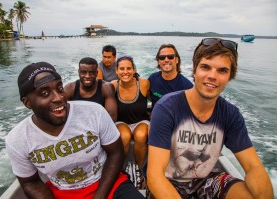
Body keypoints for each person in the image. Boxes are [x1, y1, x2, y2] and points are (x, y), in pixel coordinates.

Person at [147, 38, 273, 199]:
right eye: (205, 67)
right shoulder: (167, 108)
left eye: (222, 70)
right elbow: (155, 175)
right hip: (168, 180)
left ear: (230, 76)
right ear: (194, 69)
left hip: (204, 180)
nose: (212, 76)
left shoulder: (230, 114)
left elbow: (254, 168)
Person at [5, 62, 144, 199]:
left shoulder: (94, 112)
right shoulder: (17, 139)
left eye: (59, 88)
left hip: (107, 183)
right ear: (27, 102)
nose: (59, 97)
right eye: (45, 93)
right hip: (62, 191)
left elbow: (116, 152)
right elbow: (30, 182)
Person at [111, 56, 150, 176]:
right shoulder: (113, 85)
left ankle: (140, 170)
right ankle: (120, 171)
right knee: (124, 136)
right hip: (122, 122)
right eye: (121, 69)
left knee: (141, 135)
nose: (125, 72)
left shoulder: (143, 84)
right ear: (116, 71)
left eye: (129, 68)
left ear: (134, 70)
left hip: (141, 121)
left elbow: (156, 99)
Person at [64, 57, 117, 122]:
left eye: (91, 73)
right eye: (83, 72)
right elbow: (64, 116)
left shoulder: (106, 88)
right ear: (78, 72)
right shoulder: (69, 89)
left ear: (96, 73)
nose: (87, 76)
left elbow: (112, 117)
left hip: (100, 126)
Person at [148, 44, 193, 109]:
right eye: (162, 57)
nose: (166, 60)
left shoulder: (187, 87)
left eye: (170, 57)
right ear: (158, 61)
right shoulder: (152, 79)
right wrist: (149, 110)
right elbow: (148, 98)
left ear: (176, 60)